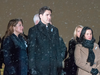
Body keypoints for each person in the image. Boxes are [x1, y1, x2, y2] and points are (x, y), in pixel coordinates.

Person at [28, 6, 65, 75]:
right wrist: (32, 68)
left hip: (53, 67)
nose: (49, 17)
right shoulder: (33, 30)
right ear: (41, 16)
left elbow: (57, 48)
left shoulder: (55, 30)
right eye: (47, 15)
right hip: (40, 67)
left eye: (50, 15)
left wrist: (60, 66)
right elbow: (31, 50)